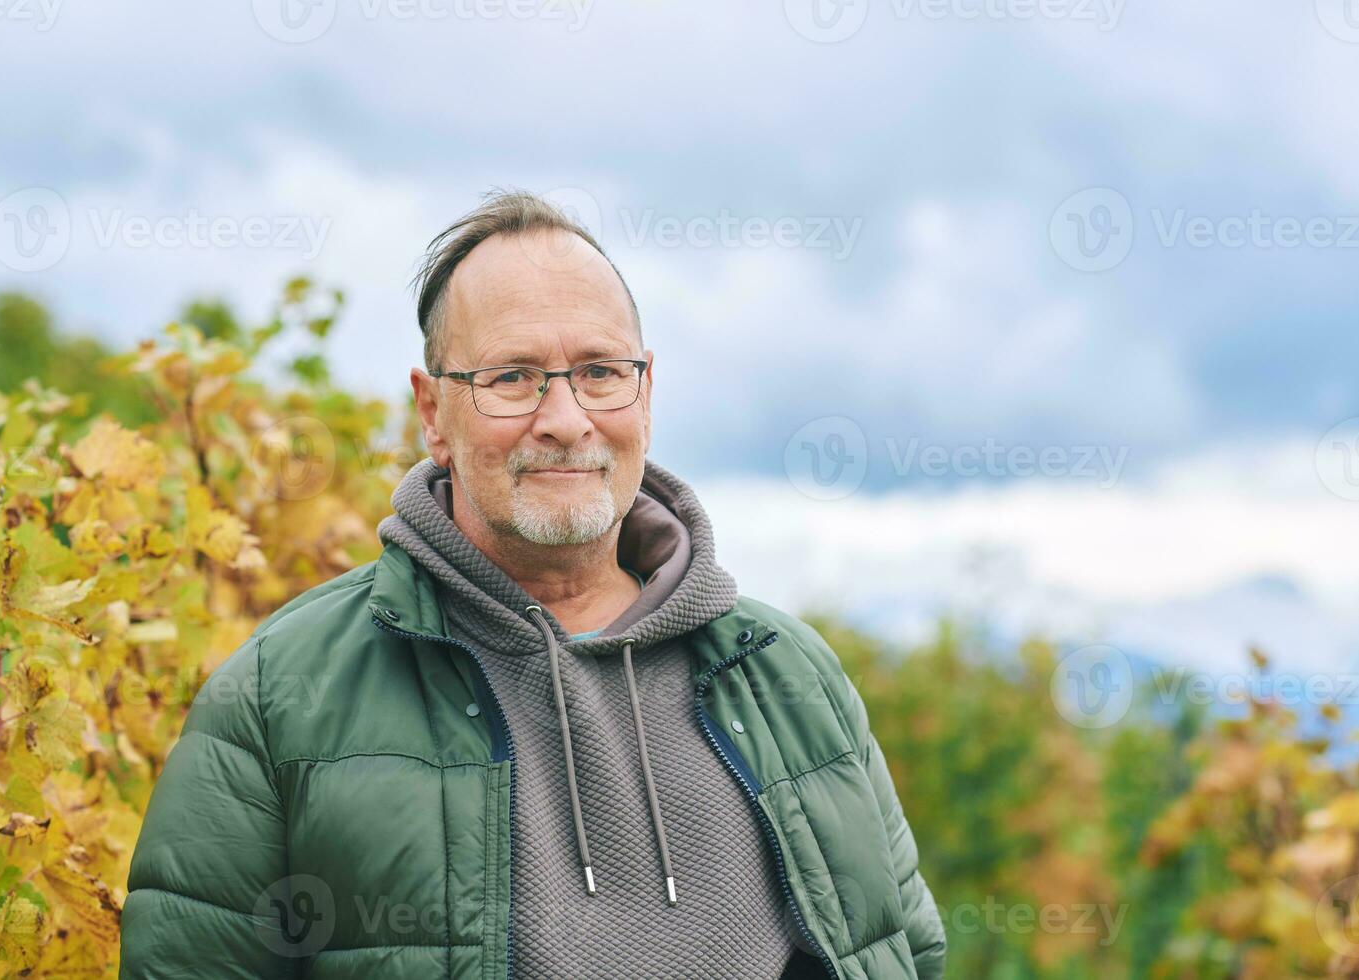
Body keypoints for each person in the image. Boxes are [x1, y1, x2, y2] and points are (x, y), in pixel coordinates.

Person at [119, 189, 945, 979]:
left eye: (599, 372)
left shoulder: (789, 675)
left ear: (645, 391)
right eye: (512, 377)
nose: (565, 418)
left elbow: (908, 954)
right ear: (433, 414)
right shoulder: (279, 696)